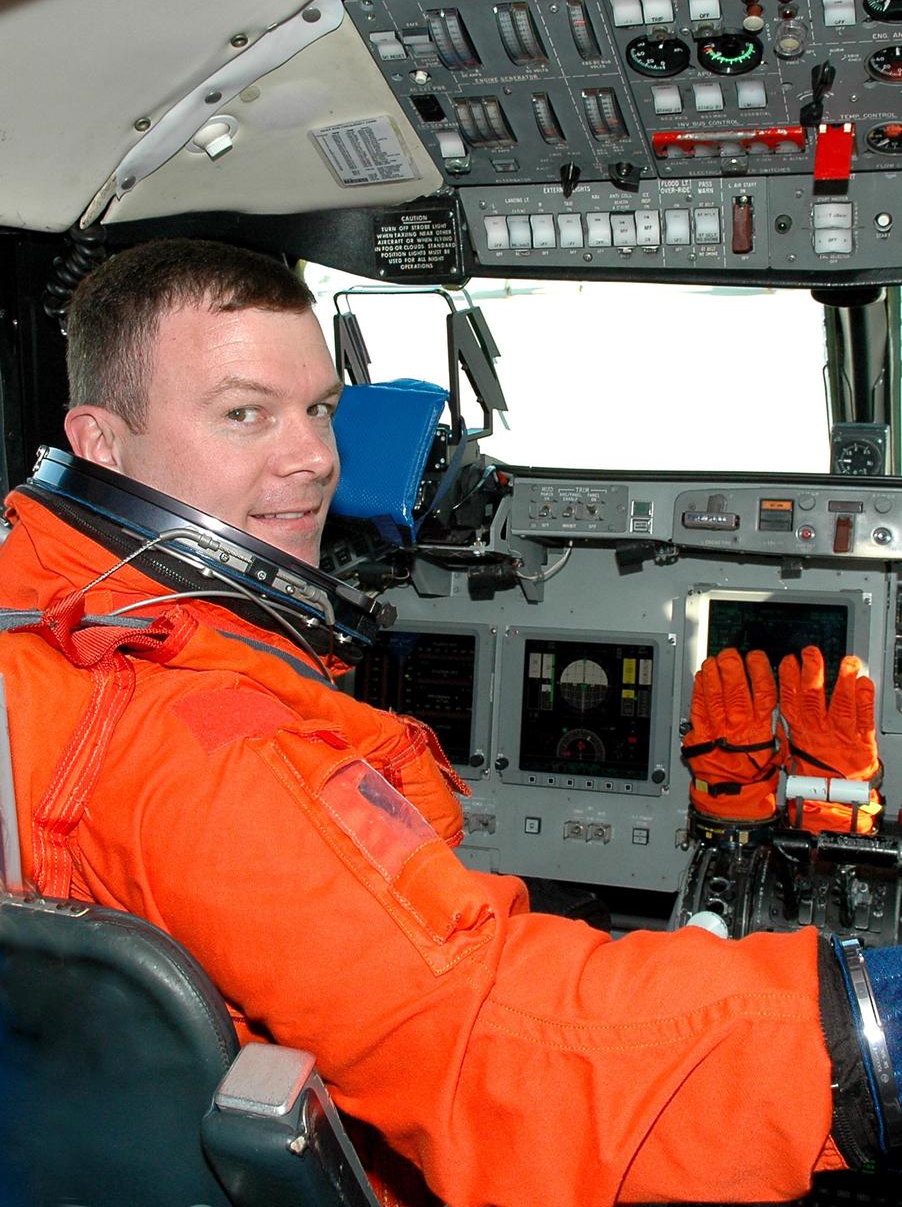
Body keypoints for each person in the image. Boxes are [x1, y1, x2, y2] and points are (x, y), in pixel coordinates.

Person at [0, 237, 892, 1207]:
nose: (310, 459)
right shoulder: (211, 740)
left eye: (320, 407)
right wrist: (857, 1025)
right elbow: (497, 1045)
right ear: (98, 439)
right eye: (242, 413)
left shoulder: (38, 627)